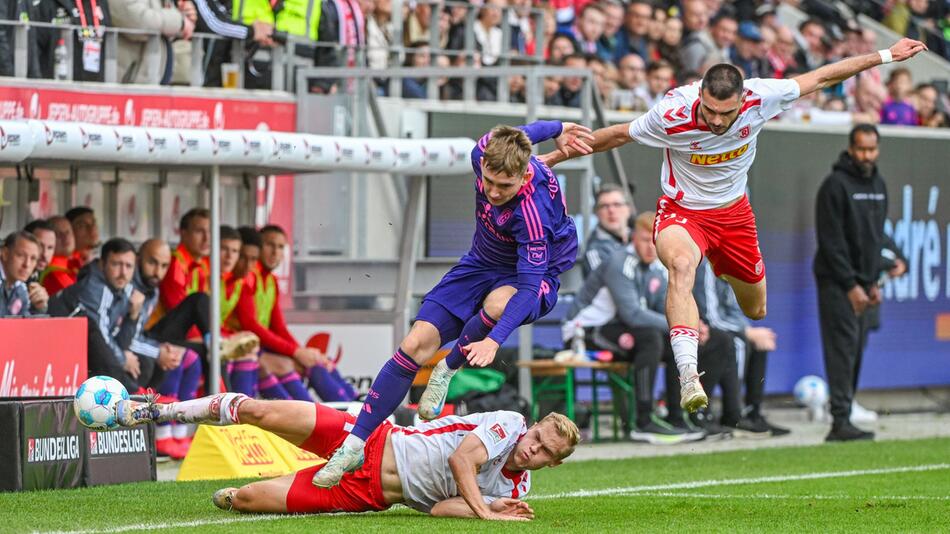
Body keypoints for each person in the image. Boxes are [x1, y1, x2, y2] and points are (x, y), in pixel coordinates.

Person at [542, 38, 928, 416]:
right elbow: (618, 135)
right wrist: (552, 158)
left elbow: (823, 77)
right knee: (680, 267)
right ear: (701, 96)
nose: (714, 120)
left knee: (756, 309)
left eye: (724, 114)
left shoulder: (763, 97)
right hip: (683, 212)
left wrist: (885, 55)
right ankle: (689, 374)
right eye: (708, 110)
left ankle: (723, 271)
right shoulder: (673, 113)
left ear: (741, 102)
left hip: (733, 216)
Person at [313, 120, 594, 488]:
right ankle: (353, 445)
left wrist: (493, 341)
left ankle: (450, 366)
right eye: (488, 182)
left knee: (498, 305)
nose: (492, 192)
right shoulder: (484, 153)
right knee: (414, 345)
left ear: (524, 178)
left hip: (532, 279)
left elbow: (526, 289)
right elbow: (517, 134)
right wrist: (555, 127)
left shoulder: (532, 216)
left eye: (504, 186)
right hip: (479, 263)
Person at [116, 393, 577, 520]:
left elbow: (440, 507)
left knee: (245, 500)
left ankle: (242, 494)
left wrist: (489, 508)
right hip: (368, 437)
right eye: (537, 437)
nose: (531, 448)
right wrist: (488, 512)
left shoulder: (516, 489)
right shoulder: (510, 423)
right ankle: (156, 410)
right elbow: (462, 461)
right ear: (532, 425)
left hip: (364, 490)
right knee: (258, 411)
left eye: (543, 453)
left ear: (551, 465)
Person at [564, 212, 701, 444]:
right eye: (645, 240)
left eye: (655, 241)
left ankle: (677, 417)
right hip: (584, 331)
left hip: (617, 328)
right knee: (651, 338)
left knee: (674, 344)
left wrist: (687, 328)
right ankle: (643, 421)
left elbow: (666, 308)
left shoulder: (656, 268)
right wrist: (682, 326)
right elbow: (633, 314)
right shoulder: (620, 263)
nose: (650, 246)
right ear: (632, 238)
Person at [813, 124, 905, 442]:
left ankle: (846, 412)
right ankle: (839, 420)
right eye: (862, 149)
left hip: (864, 284)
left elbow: (875, 237)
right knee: (840, 350)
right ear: (851, 149)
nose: (867, 156)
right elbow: (831, 242)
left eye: (872, 149)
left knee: (855, 351)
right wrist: (851, 284)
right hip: (837, 283)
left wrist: (873, 280)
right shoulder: (834, 186)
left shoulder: (878, 183)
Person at [234, 225, 355, 402]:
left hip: (256, 346)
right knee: (294, 365)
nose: (275, 252)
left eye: (281, 247)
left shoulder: (271, 281)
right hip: (245, 346)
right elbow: (251, 325)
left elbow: (278, 327)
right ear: (259, 247)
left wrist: (300, 351)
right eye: (270, 245)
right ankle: (316, 419)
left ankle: (353, 405)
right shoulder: (249, 277)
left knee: (316, 361)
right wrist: (296, 352)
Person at [49, 238, 139, 391]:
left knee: (142, 360)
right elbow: (101, 337)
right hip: (55, 348)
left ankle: (138, 397)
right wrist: (124, 358)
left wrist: (133, 316)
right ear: (102, 264)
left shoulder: (125, 288)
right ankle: (135, 397)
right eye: (116, 264)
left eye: (128, 266)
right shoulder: (95, 288)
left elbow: (120, 340)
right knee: (104, 346)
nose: (123, 273)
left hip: (85, 351)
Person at [581, 184, 632, 276]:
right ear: (597, 213)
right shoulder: (594, 251)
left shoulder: (642, 239)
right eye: (604, 206)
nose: (611, 210)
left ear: (628, 209)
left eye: (617, 204)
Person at [0, 231, 44, 316]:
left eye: (33, 258)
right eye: (21, 255)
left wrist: (38, 307)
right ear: (5, 254)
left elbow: (24, 325)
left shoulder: (20, 287)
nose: (27, 264)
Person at [42, 216, 78, 296]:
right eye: (58, 234)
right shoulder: (53, 274)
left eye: (68, 232)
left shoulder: (72, 265)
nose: (65, 237)